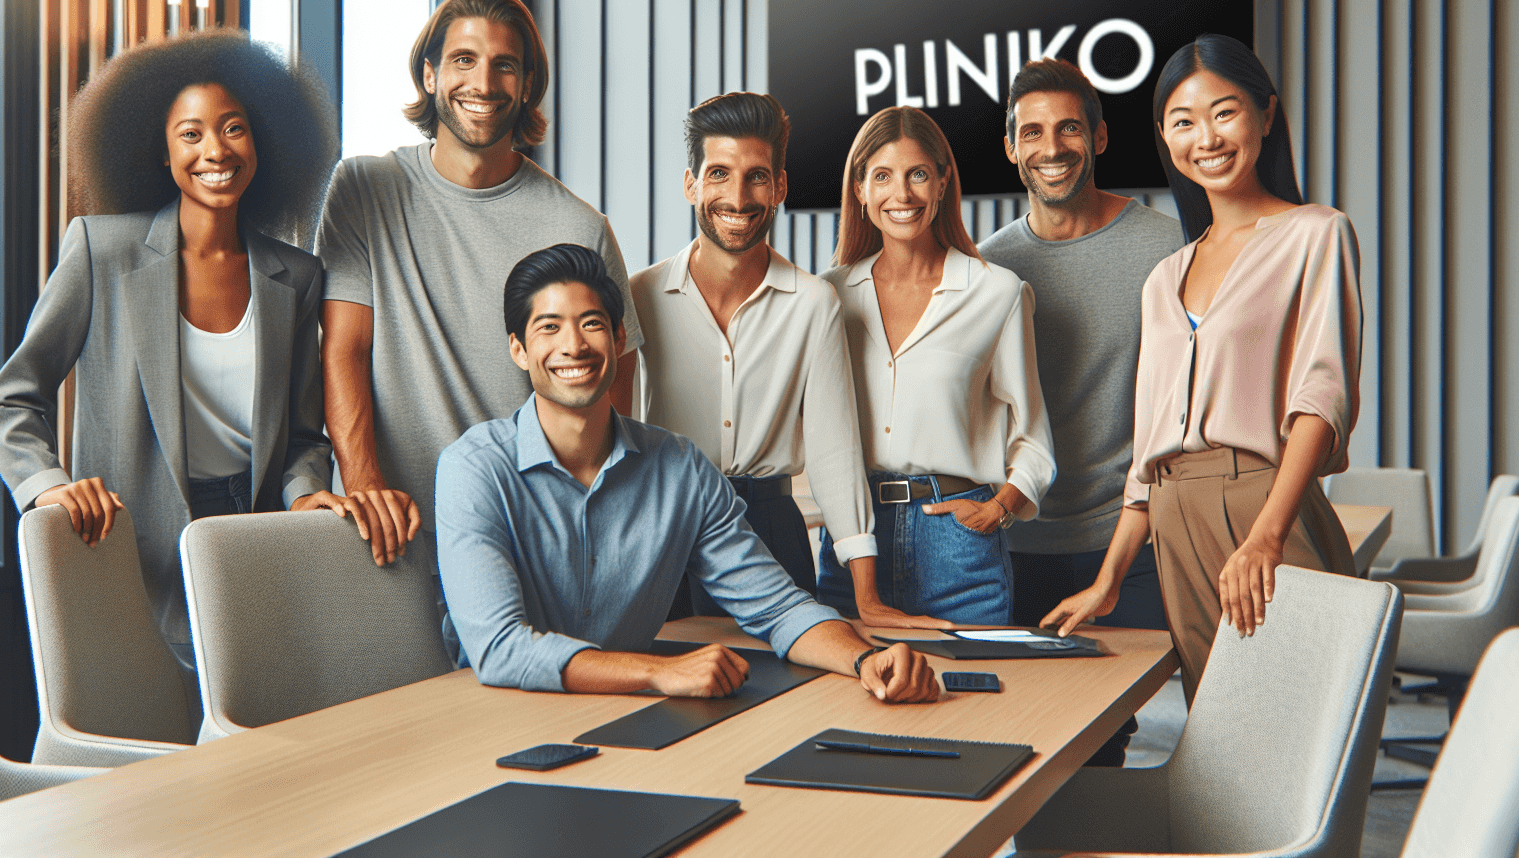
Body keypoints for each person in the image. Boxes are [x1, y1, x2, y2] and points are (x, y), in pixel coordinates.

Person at [0, 29, 351, 668]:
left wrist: (305, 490)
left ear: (263, 140)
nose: (216, 150)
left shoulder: (297, 277)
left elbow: (300, 437)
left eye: (234, 128)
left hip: (254, 552)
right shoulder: (102, 251)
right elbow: (12, 403)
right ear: (160, 150)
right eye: (191, 133)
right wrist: (47, 487)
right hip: (129, 552)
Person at [436, 244, 939, 702]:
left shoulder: (679, 470)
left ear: (618, 339)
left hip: (627, 717)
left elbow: (778, 607)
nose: (573, 345)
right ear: (519, 350)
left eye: (591, 323)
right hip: (498, 713)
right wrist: (657, 671)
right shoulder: (474, 469)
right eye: (549, 327)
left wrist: (867, 659)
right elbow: (500, 648)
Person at [1043, 34, 1359, 706]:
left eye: (1225, 112)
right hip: (1172, 523)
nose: (1206, 138)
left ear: (1266, 116)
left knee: (1297, 732)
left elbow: (1321, 392)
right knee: (1220, 740)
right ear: (1164, 136)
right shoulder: (1165, 277)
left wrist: (1267, 535)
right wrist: (1109, 579)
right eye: (1183, 122)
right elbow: (1145, 451)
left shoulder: (1317, 234)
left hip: (1264, 507)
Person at [316, 0, 641, 580]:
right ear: (430, 73)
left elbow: (615, 383)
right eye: (464, 60)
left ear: (525, 85)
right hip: (389, 528)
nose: (484, 82)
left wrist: (582, 512)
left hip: (527, 537)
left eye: (504, 64)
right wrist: (364, 486)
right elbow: (343, 349)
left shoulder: (578, 225)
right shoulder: (364, 191)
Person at [631, 93, 930, 628]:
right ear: (690, 185)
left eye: (757, 177)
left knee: (787, 699)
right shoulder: (640, 297)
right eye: (719, 173)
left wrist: (866, 596)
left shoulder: (815, 302)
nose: (738, 196)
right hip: (665, 526)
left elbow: (834, 450)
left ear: (781, 188)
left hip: (770, 529)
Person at [978, 59, 1185, 767]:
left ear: (1099, 138)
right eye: (1031, 132)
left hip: (1129, 542)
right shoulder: (989, 267)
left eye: (1070, 127)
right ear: (1010, 148)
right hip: (1016, 546)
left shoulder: (1164, 247)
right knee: (1027, 738)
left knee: (1102, 736)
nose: (1052, 146)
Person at [816, 106, 1057, 627]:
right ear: (859, 189)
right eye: (882, 176)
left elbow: (1033, 439)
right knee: (840, 702)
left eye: (918, 174)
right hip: (854, 540)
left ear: (943, 182)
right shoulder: (828, 296)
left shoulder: (996, 292)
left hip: (958, 542)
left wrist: (998, 509)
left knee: (972, 699)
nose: (901, 195)